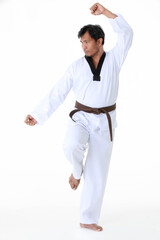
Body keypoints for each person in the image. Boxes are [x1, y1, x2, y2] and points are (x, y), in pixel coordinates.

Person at [24, 3, 133, 232]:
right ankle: (76, 171)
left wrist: (105, 13)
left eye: (87, 41)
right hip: (82, 116)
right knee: (70, 144)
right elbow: (58, 91)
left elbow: (127, 33)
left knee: (97, 171)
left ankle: (88, 218)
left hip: (106, 120)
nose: (83, 46)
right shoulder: (76, 67)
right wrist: (37, 114)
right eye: (81, 42)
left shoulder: (114, 59)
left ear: (99, 41)